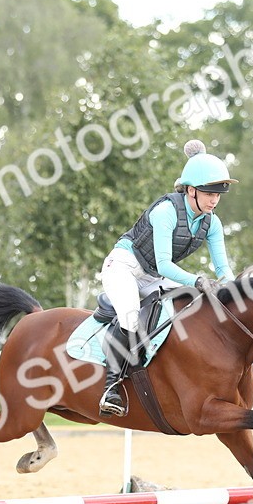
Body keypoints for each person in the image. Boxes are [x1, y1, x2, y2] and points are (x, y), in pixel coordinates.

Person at [97, 139, 238, 417]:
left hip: (152, 276)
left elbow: (223, 268)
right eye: (209, 193)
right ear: (190, 190)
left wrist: (236, 289)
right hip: (124, 266)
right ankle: (110, 387)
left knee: (193, 305)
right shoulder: (166, 212)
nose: (214, 200)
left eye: (218, 194)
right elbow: (164, 264)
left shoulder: (212, 222)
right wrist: (198, 280)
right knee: (130, 316)